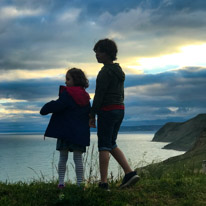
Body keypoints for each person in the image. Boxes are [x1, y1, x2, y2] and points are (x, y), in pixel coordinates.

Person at [89, 38, 140, 190]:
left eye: (99, 52)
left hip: (107, 110)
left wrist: (92, 115)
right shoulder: (119, 71)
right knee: (111, 143)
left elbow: (99, 96)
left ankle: (103, 183)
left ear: (106, 53)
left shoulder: (104, 72)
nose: (96, 55)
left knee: (103, 146)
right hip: (120, 109)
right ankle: (130, 173)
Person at [40, 68, 90, 188]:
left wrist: (45, 108)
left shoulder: (67, 94)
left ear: (75, 80)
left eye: (68, 79)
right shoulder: (86, 96)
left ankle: (61, 183)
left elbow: (58, 105)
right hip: (79, 133)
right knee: (78, 159)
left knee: (63, 157)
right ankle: (80, 184)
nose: (66, 82)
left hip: (65, 132)